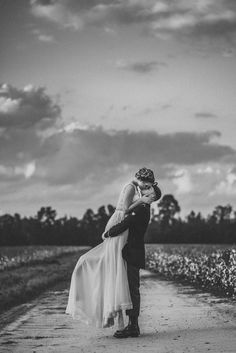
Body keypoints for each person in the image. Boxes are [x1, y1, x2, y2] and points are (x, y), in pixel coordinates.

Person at [65, 168, 156, 329]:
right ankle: (127, 323)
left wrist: (144, 200)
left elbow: (129, 216)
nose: (146, 190)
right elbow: (126, 211)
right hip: (123, 228)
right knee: (116, 270)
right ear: (141, 180)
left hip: (127, 233)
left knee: (125, 278)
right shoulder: (133, 190)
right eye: (147, 186)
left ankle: (130, 324)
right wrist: (142, 200)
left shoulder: (140, 199)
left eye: (149, 188)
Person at [103, 183, 162, 338]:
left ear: (152, 196)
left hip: (134, 253)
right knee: (130, 288)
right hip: (132, 252)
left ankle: (133, 326)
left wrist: (109, 232)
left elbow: (126, 223)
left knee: (132, 290)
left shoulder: (142, 209)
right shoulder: (141, 207)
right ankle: (131, 325)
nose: (146, 189)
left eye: (150, 189)